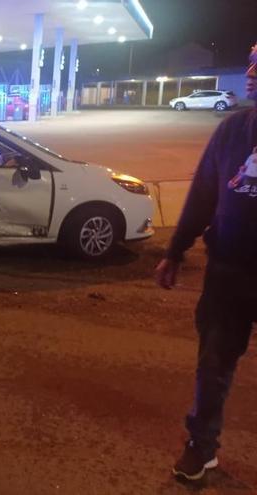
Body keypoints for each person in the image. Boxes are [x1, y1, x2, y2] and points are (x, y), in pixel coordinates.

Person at [155, 43, 257, 482]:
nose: (250, 74)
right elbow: (203, 195)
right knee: (213, 364)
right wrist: (174, 250)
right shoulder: (233, 130)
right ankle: (201, 448)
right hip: (228, 274)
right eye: (251, 63)